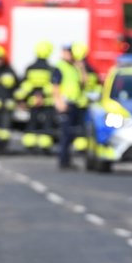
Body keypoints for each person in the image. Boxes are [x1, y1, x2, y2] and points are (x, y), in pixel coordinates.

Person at [15, 41, 57, 154]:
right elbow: (53, 85)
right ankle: (45, 144)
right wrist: (42, 95)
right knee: (47, 123)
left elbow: (25, 85)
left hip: (32, 101)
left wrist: (21, 100)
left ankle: (30, 143)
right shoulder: (51, 68)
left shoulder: (30, 68)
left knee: (32, 122)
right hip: (47, 101)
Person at [51, 42, 85, 170]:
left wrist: (81, 68)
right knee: (65, 134)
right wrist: (59, 103)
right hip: (65, 104)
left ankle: (67, 160)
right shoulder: (60, 67)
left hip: (74, 104)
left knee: (71, 134)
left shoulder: (74, 67)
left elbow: (83, 82)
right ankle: (63, 161)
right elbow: (55, 87)